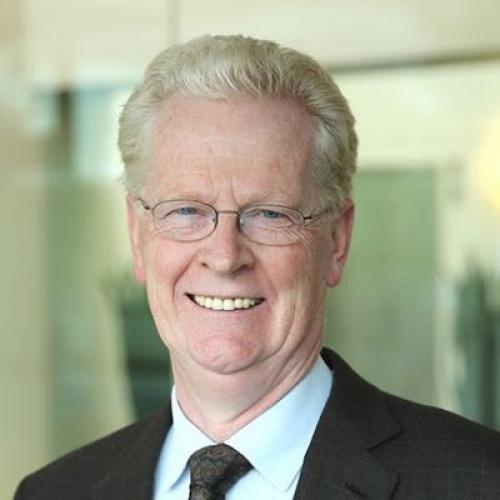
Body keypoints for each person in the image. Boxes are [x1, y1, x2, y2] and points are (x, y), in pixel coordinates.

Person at [15, 34, 500, 500]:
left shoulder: (479, 483)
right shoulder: (53, 493)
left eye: (269, 214)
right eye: (186, 211)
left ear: (337, 240)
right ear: (137, 235)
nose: (225, 256)